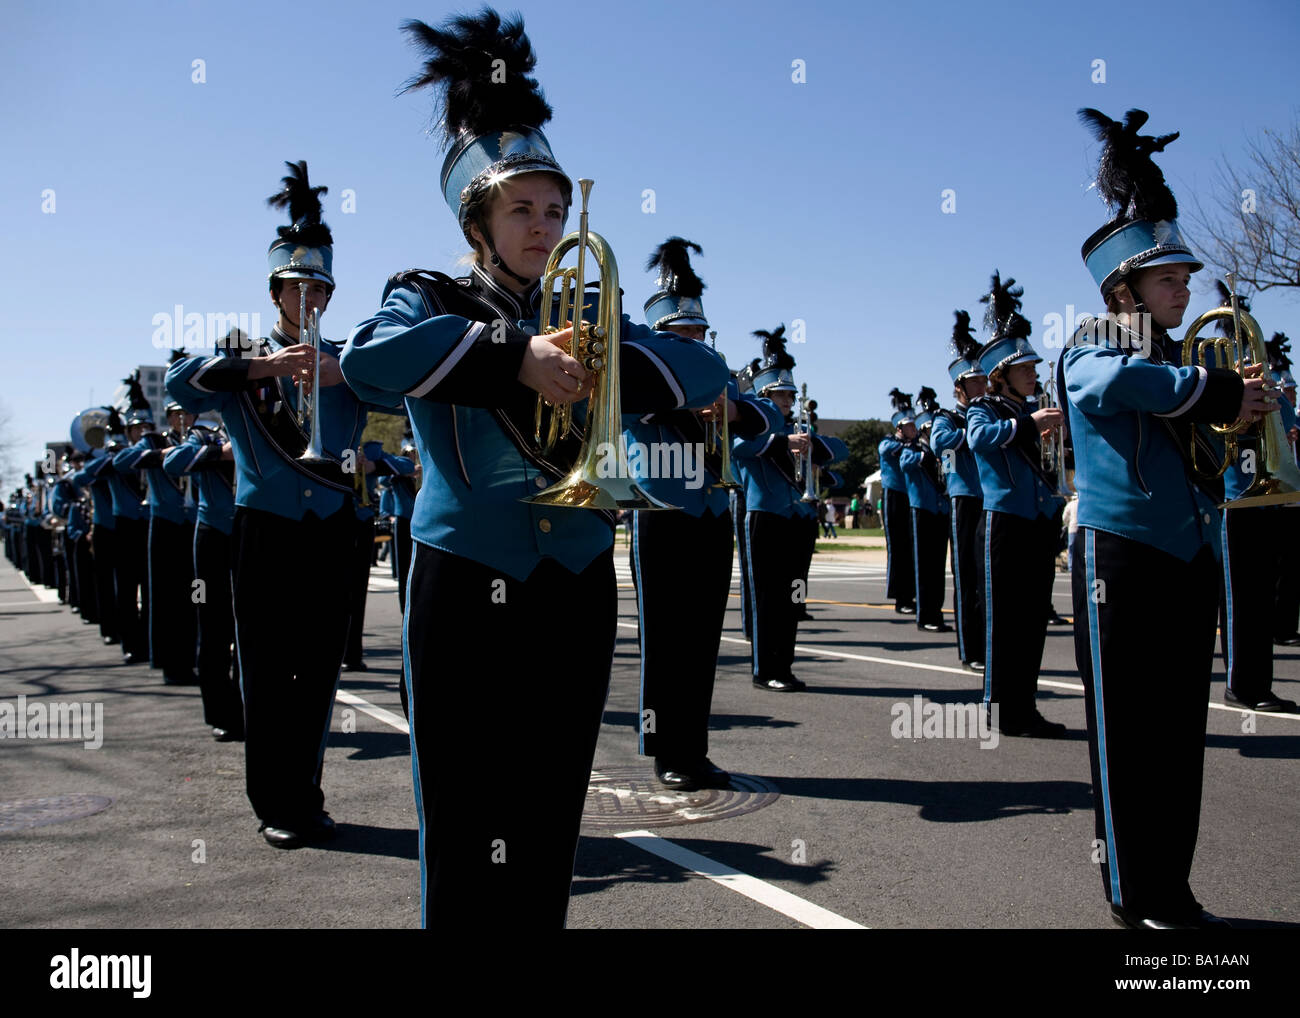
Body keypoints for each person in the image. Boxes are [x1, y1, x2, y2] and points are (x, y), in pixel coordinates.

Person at [339, 10, 727, 927]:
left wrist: (603, 363)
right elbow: (368, 362)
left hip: (578, 574)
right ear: (476, 220)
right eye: (522, 210)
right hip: (467, 574)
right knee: (469, 811)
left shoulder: (593, 305)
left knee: (552, 804)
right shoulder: (426, 295)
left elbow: (706, 373)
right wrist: (515, 355)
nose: (544, 227)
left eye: (555, 211)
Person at [1066, 107, 1274, 928]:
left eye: (1186, 279)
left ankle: (1172, 886)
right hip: (1118, 561)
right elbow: (1123, 389)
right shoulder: (1091, 344)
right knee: (1128, 740)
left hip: (1187, 559)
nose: (1184, 290)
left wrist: (1249, 420)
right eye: (1168, 281)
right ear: (1125, 290)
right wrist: (1222, 394)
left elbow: (1201, 446)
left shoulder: (1183, 360)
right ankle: (1131, 893)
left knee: (1179, 738)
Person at [168, 159, 382, 849]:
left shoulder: (349, 360)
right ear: (275, 291)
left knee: (317, 669)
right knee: (265, 665)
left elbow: (404, 384)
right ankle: (274, 801)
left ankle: (308, 792)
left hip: (331, 530)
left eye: (321, 285)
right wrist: (267, 367)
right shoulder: (242, 359)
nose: (312, 296)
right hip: (262, 528)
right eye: (299, 285)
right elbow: (181, 382)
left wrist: (336, 368)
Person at [626, 239, 767, 791]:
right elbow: (637, 409)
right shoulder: (638, 368)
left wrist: (733, 410)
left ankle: (695, 747)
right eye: (682, 336)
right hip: (663, 509)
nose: (694, 343)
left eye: (699, 334)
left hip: (712, 509)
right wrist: (692, 408)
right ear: (661, 335)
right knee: (666, 636)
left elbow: (762, 427)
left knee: (703, 634)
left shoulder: (719, 374)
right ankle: (667, 752)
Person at [967, 271, 1065, 738]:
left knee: (1031, 620)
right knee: (1004, 620)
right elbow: (979, 440)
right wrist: (1032, 426)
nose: (1034, 374)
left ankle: (1024, 707)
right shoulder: (983, 409)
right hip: (1004, 522)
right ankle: (997, 708)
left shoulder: (1031, 411)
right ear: (1001, 375)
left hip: (1039, 522)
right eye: (1025, 369)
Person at [1213, 288, 1300, 713]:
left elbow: (1289, 427)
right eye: (1239, 347)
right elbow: (1214, 436)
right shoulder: (1222, 385)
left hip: (1268, 500)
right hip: (1234, 499)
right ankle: (1240, 685)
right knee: (1239, 599)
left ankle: (1259, 685)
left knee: (1261, 598)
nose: (1247, 356)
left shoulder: (1273, 391)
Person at [164, 403, 243, 740]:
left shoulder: (263, 426)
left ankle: (251, 707)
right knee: (212, 623)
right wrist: (220, 454)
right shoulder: (202, 435)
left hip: (249, 532)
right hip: (210, 536)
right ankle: (221, 713)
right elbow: (174, 461)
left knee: (251, 626)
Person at [115, 392, 199, 685]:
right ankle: (170, 663)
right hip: (164, 523)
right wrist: (162, 455)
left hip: (193, 525)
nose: (182, 419)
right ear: (168, 417)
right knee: (165, 596)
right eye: (176, 414)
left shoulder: (199, 439)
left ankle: (193, 656)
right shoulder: (154, 441)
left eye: (187, 414)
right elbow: (122, 461)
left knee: (194, 593)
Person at [931, 311, 986, 670]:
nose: (983, 387)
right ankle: (971, 650)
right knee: (967, 574)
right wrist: (974, 432)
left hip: (991, 498)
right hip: (965, 497)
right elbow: (941, 446)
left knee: (988, 576)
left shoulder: (991, 411)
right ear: (959, 389)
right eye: (975, 382)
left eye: (984, 380)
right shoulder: (947, 418)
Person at [900, 387, 951, 633]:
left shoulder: (941, 452)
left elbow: (952, 474)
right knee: (924, 566)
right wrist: (926, 457)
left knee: (938, 566)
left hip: (942, 510)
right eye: (930, 431)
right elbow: (905, 463)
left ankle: (936, 612)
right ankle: (925, 615)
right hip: (921, 510)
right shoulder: (913, 450)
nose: (934, 434)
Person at [880, 390, 916, 614]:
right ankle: (900, 598)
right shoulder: (889, 442)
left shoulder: (918, 444)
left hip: (912, 496)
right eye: (910, 427)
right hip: (894, 495)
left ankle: (911, 595)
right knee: (898, 548)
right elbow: (885, 449)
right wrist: (906, 445)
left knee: (912, 548)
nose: (915, 430)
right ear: (900, 428)